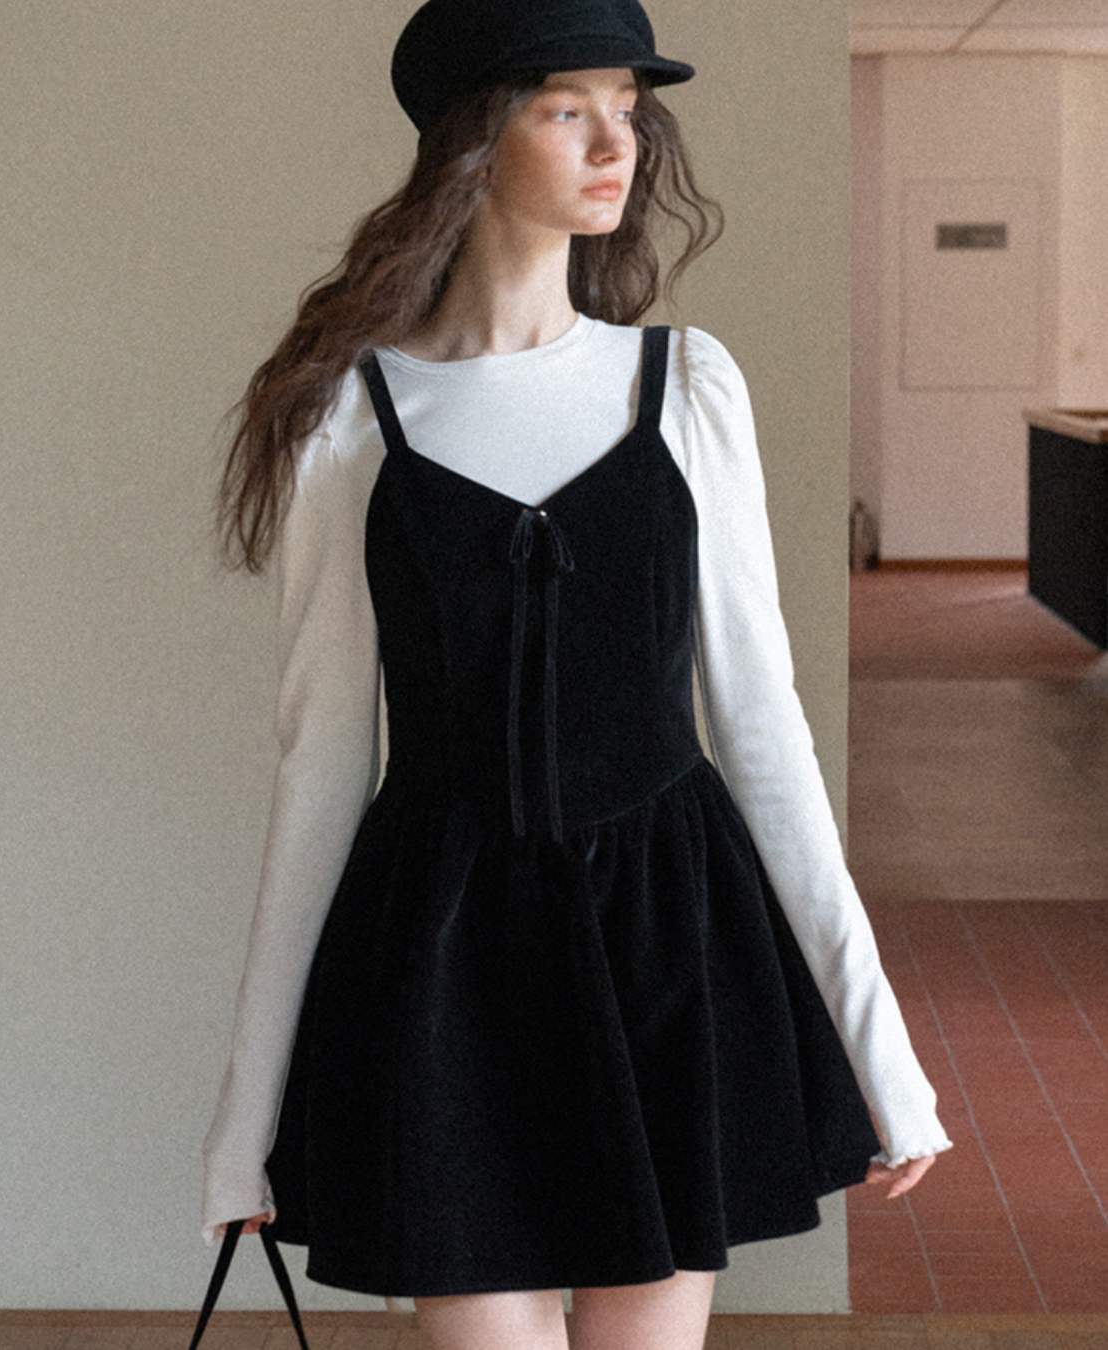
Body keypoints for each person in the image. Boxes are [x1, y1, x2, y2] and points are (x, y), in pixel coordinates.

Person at [202, 2, 952, 1347]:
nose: (619, 143)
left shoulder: (686, 384)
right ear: (471, 142)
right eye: (568, 109)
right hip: (444, 964)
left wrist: (882, 1052)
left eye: (629, 108)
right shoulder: (351, 413)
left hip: (671, 941)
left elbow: (763, 728)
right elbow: (319, 768)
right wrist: (242, 1119)